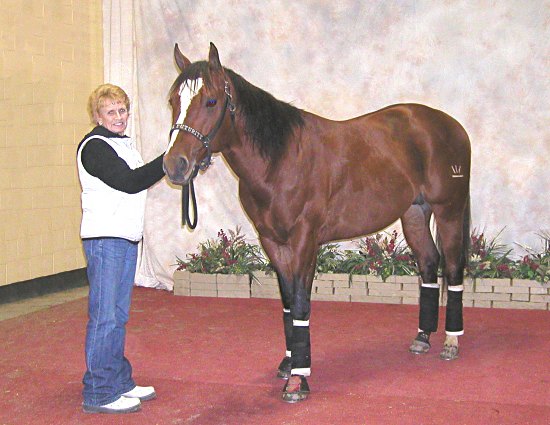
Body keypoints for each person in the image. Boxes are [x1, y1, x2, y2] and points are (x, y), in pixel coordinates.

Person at [76, 84, 165, 414]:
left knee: (117, 316)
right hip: (105, 240)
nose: (118, 116)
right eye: (110, 111)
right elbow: (129, 182)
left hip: (123, 238)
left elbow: (136, 179)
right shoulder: (95, 147)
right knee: (105, 317)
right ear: (97, 116)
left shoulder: (122, 144)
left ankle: (119, 381)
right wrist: (169, 159)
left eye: (122, 110)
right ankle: (99, 391)